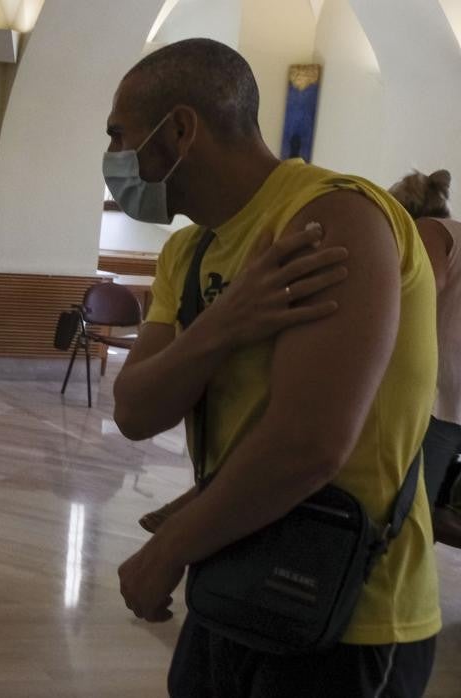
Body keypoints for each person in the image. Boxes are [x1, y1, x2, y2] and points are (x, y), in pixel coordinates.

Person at [108, 39, 439, 696]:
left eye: (120, 137)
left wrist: (168, 549)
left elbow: (308, 443)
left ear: (180, 130)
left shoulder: (332, 218)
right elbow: (136, 409)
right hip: (235, 578)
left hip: (346, 610)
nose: (113, 160)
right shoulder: (187, 253)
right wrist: (227, 322)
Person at [390, 169, 461, 547]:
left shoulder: (429, 231)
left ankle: (394, 589)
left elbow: (423, 287)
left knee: (411, 505)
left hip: (441, 391)